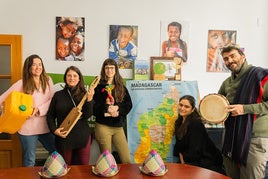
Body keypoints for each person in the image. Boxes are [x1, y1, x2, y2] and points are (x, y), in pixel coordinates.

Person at [218, 45, 268, 179]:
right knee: (230, 176)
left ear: (243, 56)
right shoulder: (227, 83)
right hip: (231, 137)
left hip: (254, 138)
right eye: (226, 59)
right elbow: (218, 105)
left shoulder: (261, 76)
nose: (230, 60)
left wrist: (244, 109)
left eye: (233, 56)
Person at [0, 54, 56, 166]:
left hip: (46, 126)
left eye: (40, 64)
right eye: (34, 64)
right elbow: (2, 99)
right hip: (27, 129)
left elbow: (53, 100)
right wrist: (8, 111)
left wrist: (38, 109)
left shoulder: (48, 80)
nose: (38, 67)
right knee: (29, 160)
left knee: (56, 154)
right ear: (28, 67)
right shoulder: (22, 83)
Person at [46, 66, 94, 165]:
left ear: (79, 78)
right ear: (65, 78)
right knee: (64, 167)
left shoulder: (85, 94)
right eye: (69, 75)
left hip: (82, 136)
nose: (72, 78)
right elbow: (50, 116)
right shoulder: (58, 95)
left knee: (83, 167)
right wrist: (54, 130)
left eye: (75, 76)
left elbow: (88, 115)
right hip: (64, 136)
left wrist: (89, 100)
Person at [93, 58, 132, 163]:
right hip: (103, 127)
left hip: (118, 127)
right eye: (107, 68)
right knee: (107, 161)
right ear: (103, 70)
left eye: (112, 67)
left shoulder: (121, 87)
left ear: (116, 70)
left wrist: (117, 108)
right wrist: (107, 108)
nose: (109, 70)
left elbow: (129, 104)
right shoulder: (98, 87)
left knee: (126, 159)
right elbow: (94, 107)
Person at [173, 95, 225, 174]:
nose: (182, 108)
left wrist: (185, 164)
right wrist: (182, 162)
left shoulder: (196, 124)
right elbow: (179, 146)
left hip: (205, 161)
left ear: (192, 109)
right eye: (181, 105)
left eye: (186, 107)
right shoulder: (179, 122)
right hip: (189, 160)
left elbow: (195, 150)